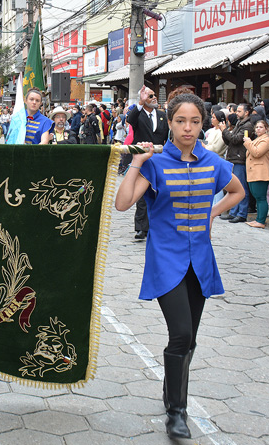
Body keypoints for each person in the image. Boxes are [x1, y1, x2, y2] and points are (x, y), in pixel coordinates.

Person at [114, 92, 244, 440]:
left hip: (200, 261)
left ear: (204, 124)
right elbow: (123, 203)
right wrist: (138, 162)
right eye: (181, 121)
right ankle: (177, 412)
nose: (188, 128)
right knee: (181, 333)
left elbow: (237, 191)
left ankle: (171, 391)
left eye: (195, 121)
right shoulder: (156, 162)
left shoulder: (213, 163)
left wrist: (211, 214)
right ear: (169, 123)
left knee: (191, 341)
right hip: (166, 260)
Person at [126, 86, 170, 240]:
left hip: (159, 159)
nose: (154, 98)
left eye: (154, 95)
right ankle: (141, 228)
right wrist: (140, 102)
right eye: (150, 96)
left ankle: (157, 226)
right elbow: (129, 120)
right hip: (142, 159)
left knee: (160, 192)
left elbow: (166, 137)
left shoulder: (162, 115)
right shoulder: (137, 115)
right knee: (142, 193)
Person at [220, 103, 256, 223]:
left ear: (246, 113)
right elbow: (229, 140)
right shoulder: (239, 124)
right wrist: (224, 132)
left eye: (239, 111)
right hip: (233, 157)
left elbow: (235, 139)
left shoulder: (248, 125)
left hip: (240, 158)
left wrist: (225, 130)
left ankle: (241, 213)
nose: (237, 113)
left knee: (241, 186)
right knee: (233, 186)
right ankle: (234, 211)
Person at [243, 120, 269, 228]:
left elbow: (256, 152)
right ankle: (258, 219)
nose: (258, 129)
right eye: (257, 127)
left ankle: (261, 221)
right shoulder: (257, 139)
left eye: (261, 127)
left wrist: (247, 142)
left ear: (266, 128)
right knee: (257, 197)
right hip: (253, 172)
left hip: (260, 172)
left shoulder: (266, 140)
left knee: (261, 197)